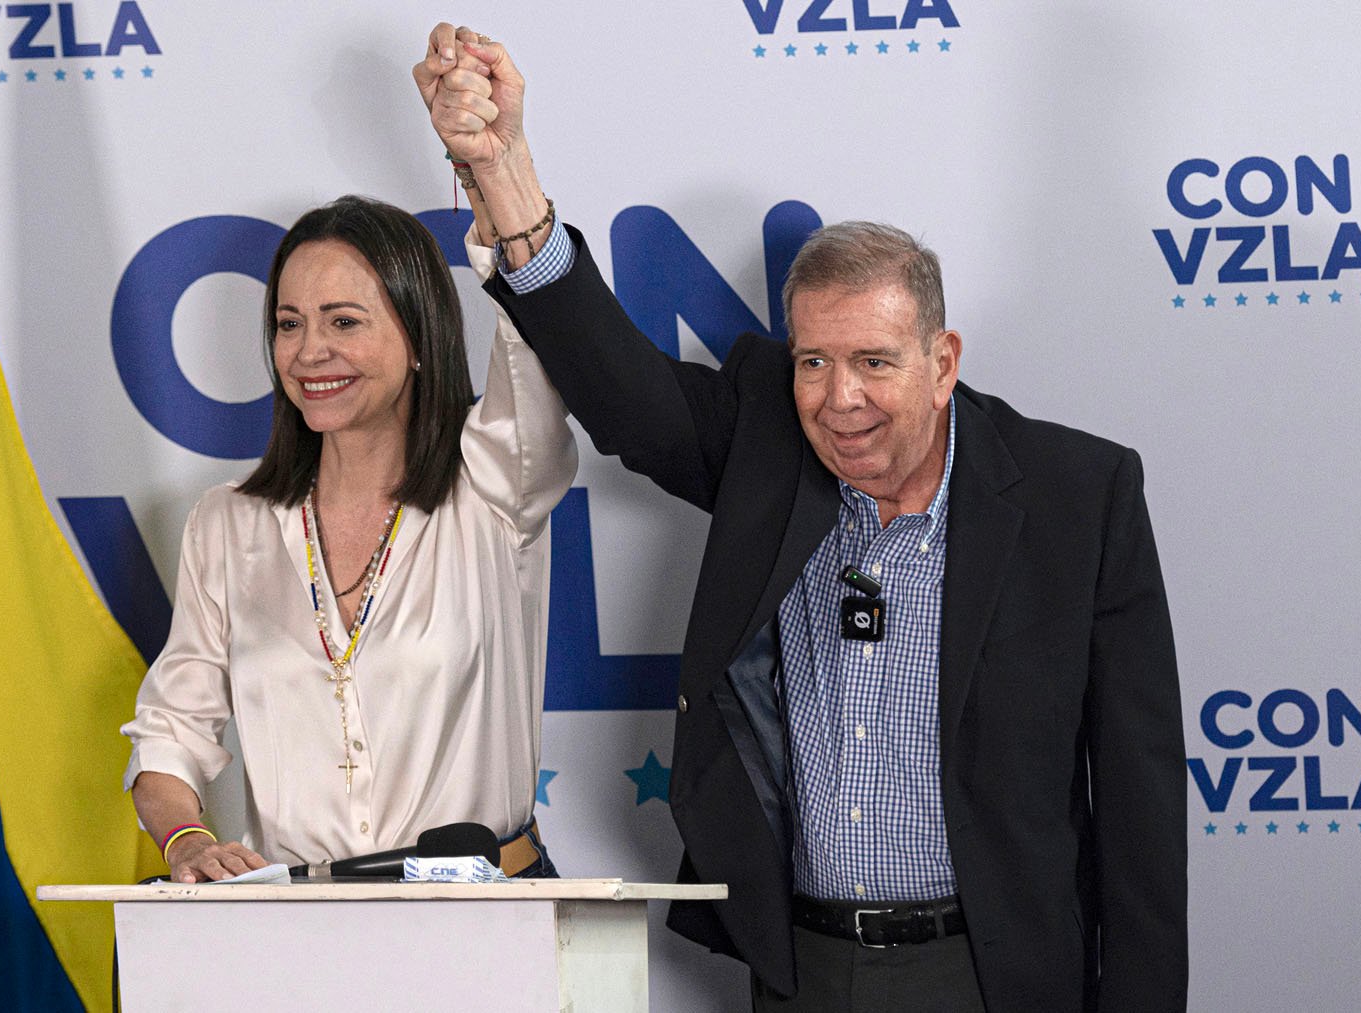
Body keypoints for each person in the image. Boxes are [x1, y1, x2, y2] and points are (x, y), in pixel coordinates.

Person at [414, 24, 1186, 1011]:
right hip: (806, 968)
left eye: (874, 361)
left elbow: (1142, 813)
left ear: (942, 362)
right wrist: (503, 170)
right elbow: (620, 394)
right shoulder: (769, 443)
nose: (838, 397)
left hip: (999, 974)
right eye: (813, 360)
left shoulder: (1081, 495)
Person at [120, 193, 577, 882]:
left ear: (420, 337)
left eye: (344, 321)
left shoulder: (494, 487)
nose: (309, 352)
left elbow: (532, 353)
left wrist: (495, 177)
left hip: (485, 925)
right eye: (289, 323)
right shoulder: (228, 524)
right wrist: (187, 840)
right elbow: (169, 732)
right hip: (299, 936)